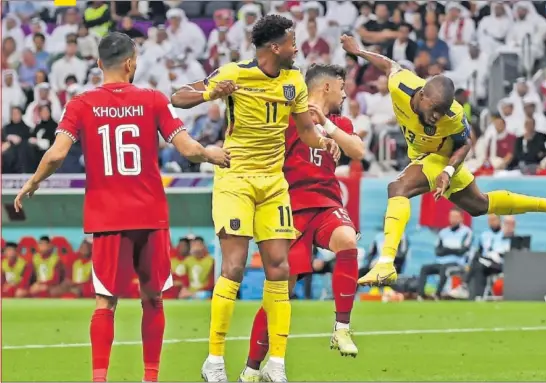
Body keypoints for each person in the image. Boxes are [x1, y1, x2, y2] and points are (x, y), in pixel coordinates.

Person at [13, 32, 230, 383]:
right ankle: (150, 378)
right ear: (131, 63)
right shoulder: (154, 99)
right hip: (150, 214)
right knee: (153, 300)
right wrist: (212, 155)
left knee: (105, 303)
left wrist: (32, 183)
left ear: (99, 64)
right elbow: (188, 150)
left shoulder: (80, 104)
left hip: (107, 216)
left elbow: (55, 154)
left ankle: (100, 379)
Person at [339, 34, 546, 286]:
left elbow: (465, 143)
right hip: (429, 157)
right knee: (479, 205)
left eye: (443, 110)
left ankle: (386, 263)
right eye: (434, 108)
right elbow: (389, 65)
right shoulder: (402, 85)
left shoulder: (454, 114)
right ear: (423, 96)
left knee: (397, 188)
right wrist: (358, 51)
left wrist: (447, 170)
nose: (437, 116)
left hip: (440, 157)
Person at [170, 15, 340, 383]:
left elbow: (306, 131)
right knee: (233, 266)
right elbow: (177, 96)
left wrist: (325, 142)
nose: (297, 49)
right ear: (274, 47)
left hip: (273, 183)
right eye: (292, 42)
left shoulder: (294, 81)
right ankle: (214, 359)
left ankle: (275, 364)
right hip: (235, 179)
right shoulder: (235, 73)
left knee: (280, 268)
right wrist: (209, 93)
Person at [241, 63, 366, 381]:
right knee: (280, 292)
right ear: (327, 86)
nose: (344, 92)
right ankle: (252, 369)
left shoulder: (339, 122)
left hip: (326, 203)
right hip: (290, 210)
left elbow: (358, 150)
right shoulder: (287, 115)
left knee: (348, 241)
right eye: (342, 85)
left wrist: (327, 125)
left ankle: (341, 327)